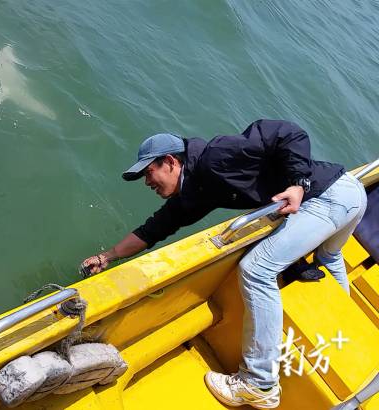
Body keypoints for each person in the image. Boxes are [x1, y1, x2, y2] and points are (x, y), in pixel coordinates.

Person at [80, 119, 367, 409]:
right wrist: (107, 256)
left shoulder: (215, 156)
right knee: (328, 258)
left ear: (170, 161)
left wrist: (297, 184)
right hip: (349, 192)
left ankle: (259, 383)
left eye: (148, 171)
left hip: (328, 198)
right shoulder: (197, 189)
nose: (147, 181)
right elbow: (156, 228)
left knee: (256, 270)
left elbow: (285, 133)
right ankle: (341, 331)